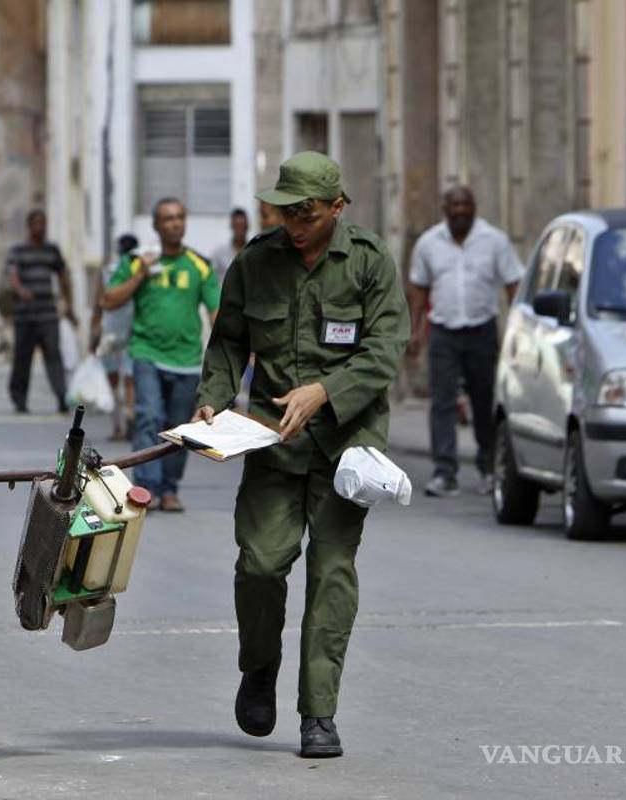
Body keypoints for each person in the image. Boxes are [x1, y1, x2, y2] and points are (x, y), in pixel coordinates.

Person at [194, 151, 409, 759]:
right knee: (260, 565)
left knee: (331, 573)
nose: (293, 223)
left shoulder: (367, 261)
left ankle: (319, 713)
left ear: (336, 208)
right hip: (271, 440)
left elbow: (387, 347)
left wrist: (325, 391)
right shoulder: (256, 262)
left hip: (347, 447)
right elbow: (229, 339)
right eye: (284, 211)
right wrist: (213, 399)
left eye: (306, 213)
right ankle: (259, 667)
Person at [103, 198, 220, 512]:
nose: (175, 223)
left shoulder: (199, 265)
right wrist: (140, 274)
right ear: (156, 226)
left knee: (180, 428)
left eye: (180, 217)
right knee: (148, 417)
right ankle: (146, 488)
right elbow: (109, 300)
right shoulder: (138, 260)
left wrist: (228, 350)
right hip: (147, 355)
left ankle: (170, 489)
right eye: (167, 219)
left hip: (186, 360)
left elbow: (215, 312)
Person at [407, 186, 522, 498]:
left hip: (482, 331)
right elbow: (418, 288)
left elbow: (513, 283)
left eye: (466, 204)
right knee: (442, 402)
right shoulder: (429, 243)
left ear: (474, 207)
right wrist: (415, 331)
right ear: (444, 208)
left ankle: (488, 468)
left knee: (484, 401)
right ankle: (445, 472)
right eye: (454, 204)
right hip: (443, 331)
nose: (460, 210)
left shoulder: (494, 241)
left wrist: (517, 330)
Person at [6, 209, 76, 414]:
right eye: (36, 223)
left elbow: (63, 277)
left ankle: (62, 395)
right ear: (29, 226)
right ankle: (19, 399)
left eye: (43, 223)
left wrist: (68, 304)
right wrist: (20, 291)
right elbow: (12, 275)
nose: (40, 227)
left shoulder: (52, 250)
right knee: (22, 357)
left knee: (54, 354)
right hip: (24, 315)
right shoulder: (18, 250)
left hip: (48, 314)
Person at [90, 233, 139, 440]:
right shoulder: (140, 272)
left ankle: (118, 424)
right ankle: (130, 416)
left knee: (112, 380)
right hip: (133, 330)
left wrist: (93, 334)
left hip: (109, 331)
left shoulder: (108, 271)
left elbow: (98, 303)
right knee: (130, 379)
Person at [211, 208, 249, 282]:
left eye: (242, 226)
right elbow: (212, 278)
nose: (240, 230)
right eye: (237, 226)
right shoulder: (219, 253)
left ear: (247, 226)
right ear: (232, 226)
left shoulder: (254, 251)